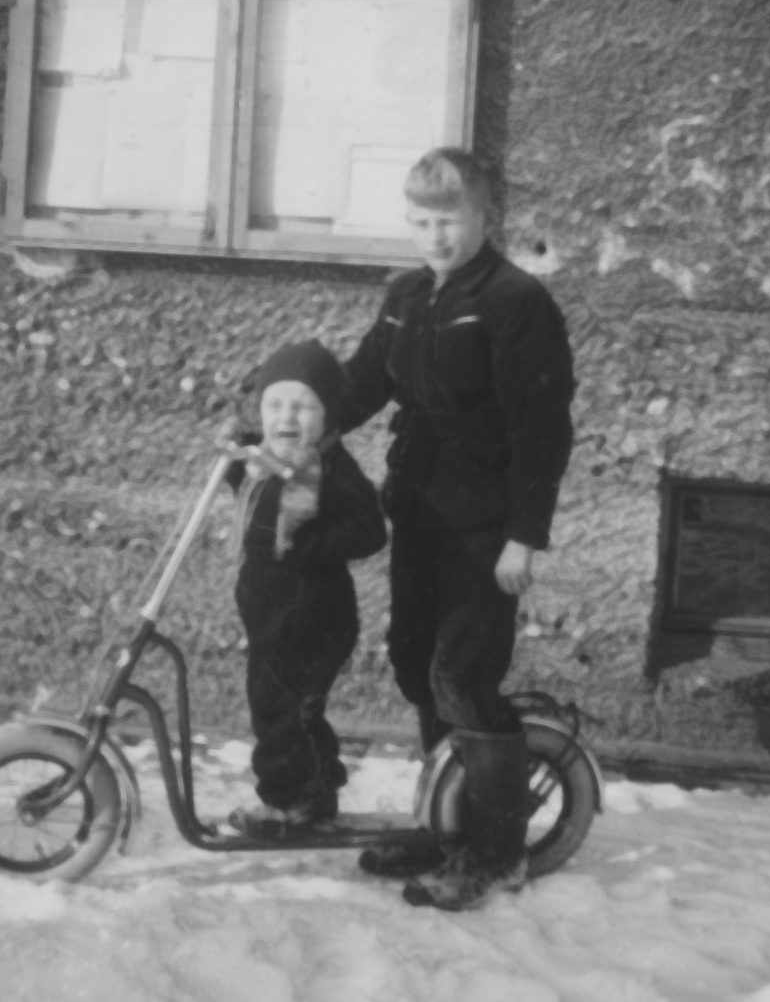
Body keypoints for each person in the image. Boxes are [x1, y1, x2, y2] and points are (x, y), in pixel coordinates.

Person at [340, 147, 575, 911]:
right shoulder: (407, 294)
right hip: (418, 508)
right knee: (416, 662)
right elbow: (360, 384)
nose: (434, 236)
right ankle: (448, 823)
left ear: (483, 218)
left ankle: (495, 851)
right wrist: (282, 424)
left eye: (449, 220)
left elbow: (542, 431)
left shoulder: (514, 301)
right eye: (420, 221)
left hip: (484, 525)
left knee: (462, 676)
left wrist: (524, 536)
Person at [220, 339, 387, 837]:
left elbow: (370, 530)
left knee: (278, 708)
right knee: (298, 710)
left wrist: (312, 543)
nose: (287, 416)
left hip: (311, 615)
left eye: (304, 405)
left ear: (328, 413)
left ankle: (288, 802)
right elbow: (254, 493)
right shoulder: (268, 459)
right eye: (275, 404)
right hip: (272, 610)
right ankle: (317, 790)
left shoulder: (333, 468)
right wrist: (232, 453)